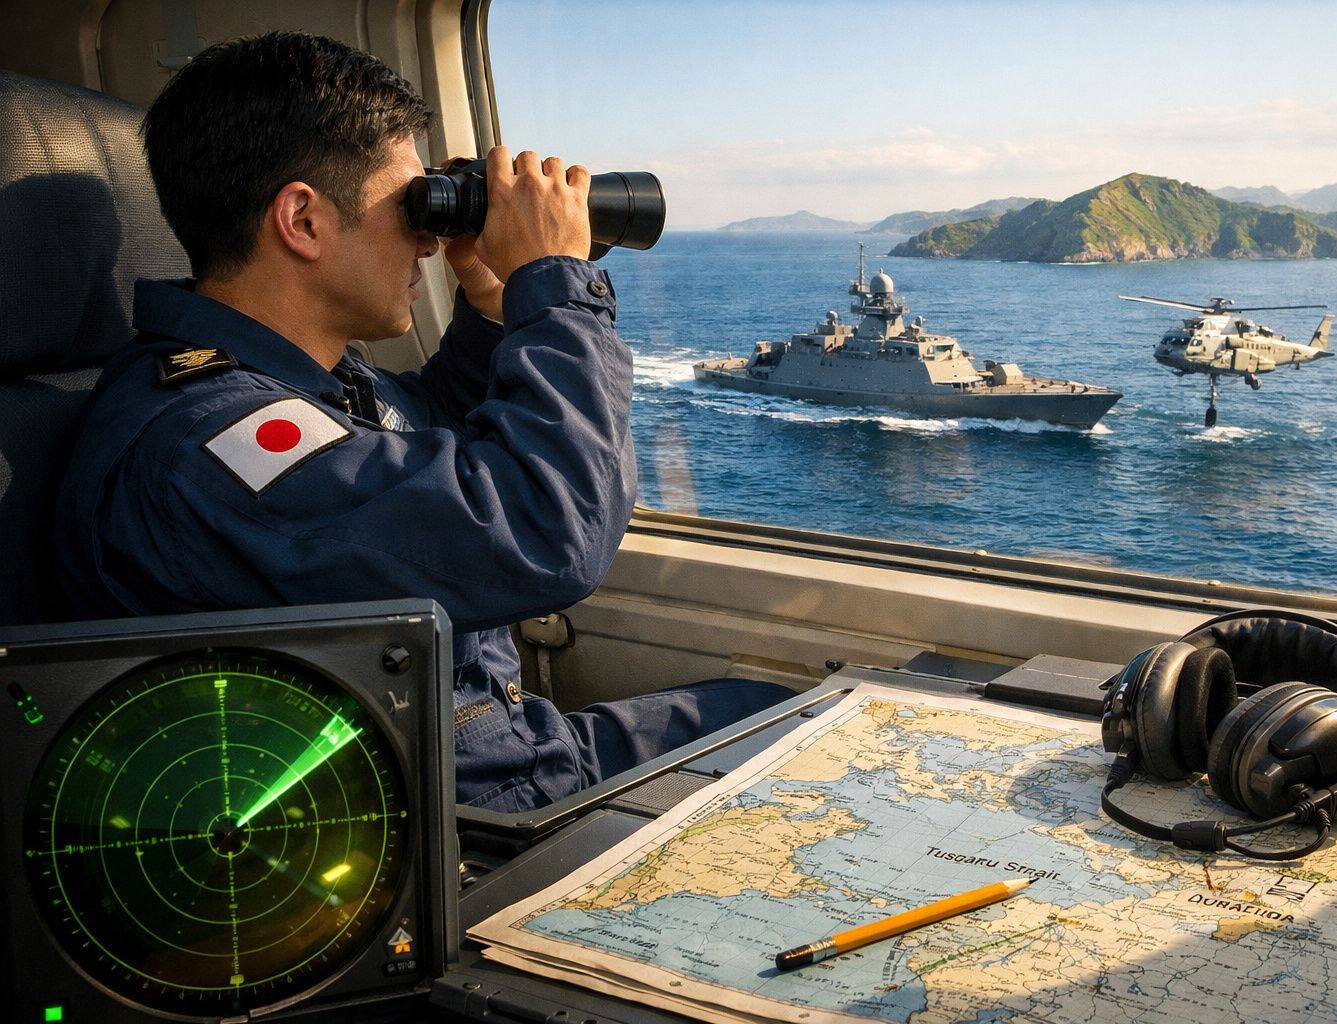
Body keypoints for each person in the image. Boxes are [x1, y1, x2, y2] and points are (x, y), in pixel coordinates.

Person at [52, 31, 791, 813]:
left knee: (785, 716)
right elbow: (548, 534)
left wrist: (493, 298)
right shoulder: (212, 447)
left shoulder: (295, 385)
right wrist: (557, 285)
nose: (432, 239)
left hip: (509, 751)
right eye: (412, 206)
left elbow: (428, 438)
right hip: (451, 814)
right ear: (302, 219)